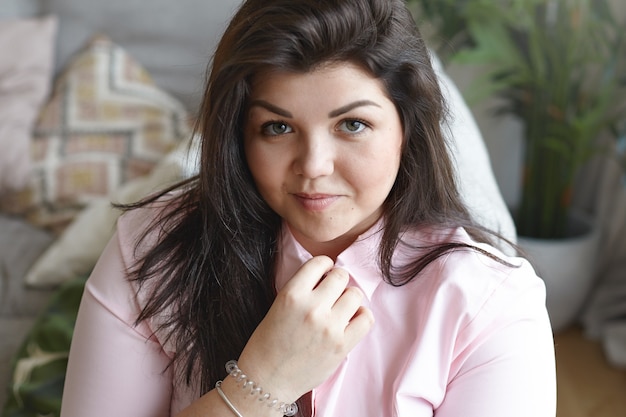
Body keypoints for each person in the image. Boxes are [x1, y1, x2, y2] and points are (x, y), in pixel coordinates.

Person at [60, 0, 557, 416]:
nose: (313, 166)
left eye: (352, 125)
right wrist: (260, 384)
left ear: (409, 127)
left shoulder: (490, 306)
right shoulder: (149, 251)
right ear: (239, 135)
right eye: (277, 127)